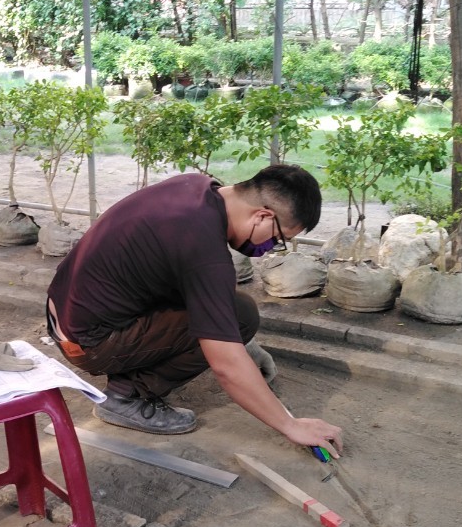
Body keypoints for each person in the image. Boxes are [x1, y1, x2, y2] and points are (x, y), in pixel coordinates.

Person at [46, 165, 343, 457]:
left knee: (233, 310)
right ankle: (125, 396)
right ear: (262, 216)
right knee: (241, 315)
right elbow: (226, 365)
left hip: (67, 315)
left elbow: (204, 290)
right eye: (277, 239)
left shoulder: (194, 187)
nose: (269, 247)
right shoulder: (204, 249)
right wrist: (290, 424)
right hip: (89, 343)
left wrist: (245, 346)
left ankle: (129, 374)